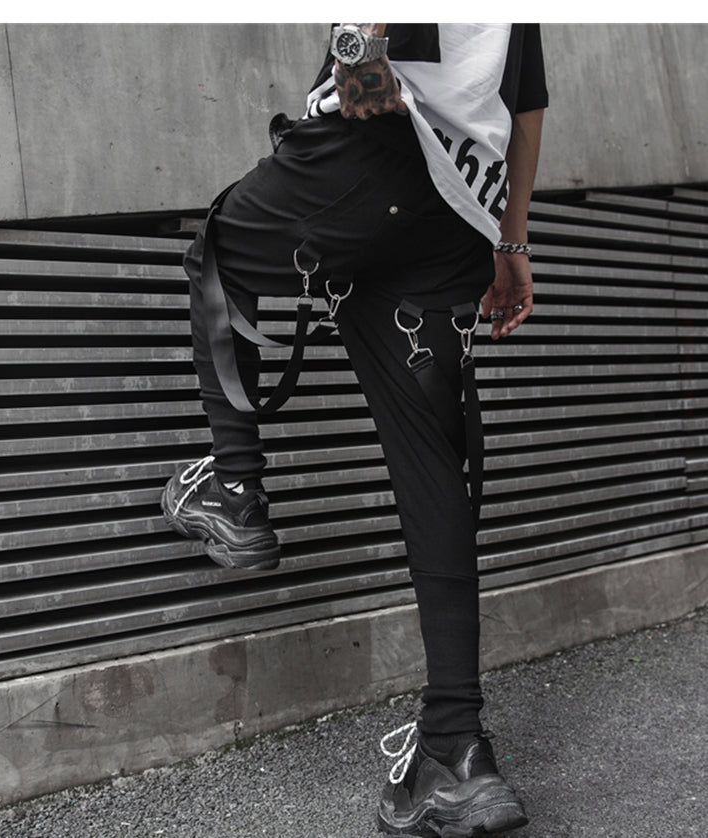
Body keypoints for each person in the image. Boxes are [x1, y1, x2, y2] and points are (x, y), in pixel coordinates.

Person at [162, 23, 547, 837]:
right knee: (431, 459)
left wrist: (357, 57)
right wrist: (510, 239)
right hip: (459, 210)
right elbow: (527, 102)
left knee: (218, 251)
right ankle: (455, 752)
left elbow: (371, 43)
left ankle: (235, 491)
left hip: (372, 148)